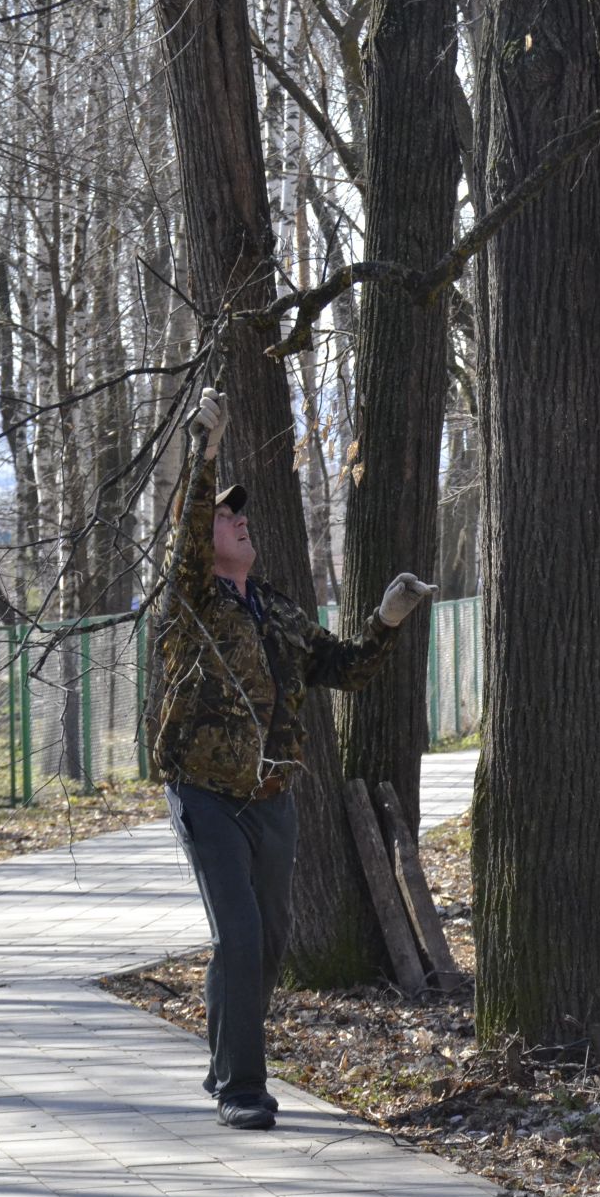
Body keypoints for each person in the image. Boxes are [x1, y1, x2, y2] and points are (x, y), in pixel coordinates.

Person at [149, 387, 435, 1130]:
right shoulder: (190, 602)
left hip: (274, 797)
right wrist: (203, 453)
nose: (241, 520)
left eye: (241, 514)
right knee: (239, 937)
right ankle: (244, 1087)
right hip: (205, 793)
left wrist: (386, 620)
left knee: (269, 942)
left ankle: (221, 1063)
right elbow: (189, 527)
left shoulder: (273, 609)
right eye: (225, 514)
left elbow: (345, 668)